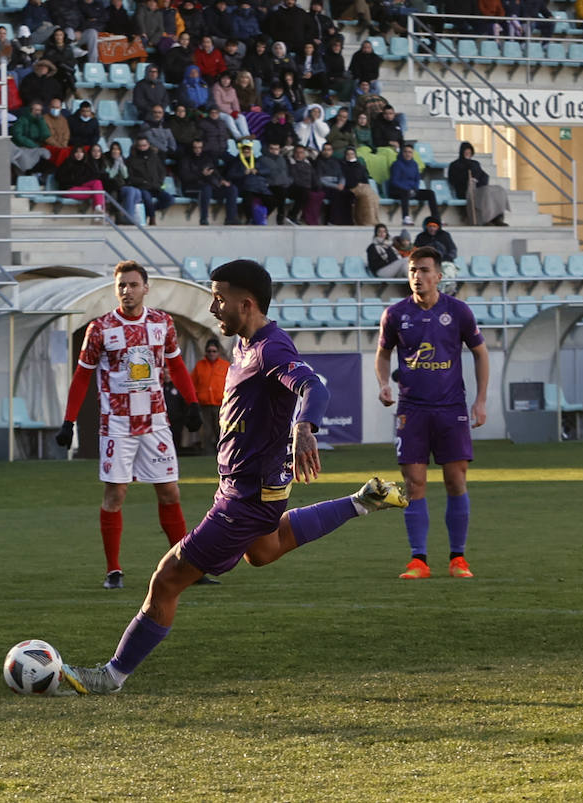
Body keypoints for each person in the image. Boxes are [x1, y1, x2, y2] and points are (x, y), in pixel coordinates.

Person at [55, 260, 409, 695]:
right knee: (263, 550)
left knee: (166, 580)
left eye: (219, 298)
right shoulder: (243, 344)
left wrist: (303, 428)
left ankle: (110, 677)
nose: (212, 306)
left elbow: (315, 387)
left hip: (247, 496)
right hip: (249, 487)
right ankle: (363, 500)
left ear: (247, 303)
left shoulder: (269, 348)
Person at [54, 261, 204, 588]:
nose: (127, 290)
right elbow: (81, 377)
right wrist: (69, 421)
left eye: (134, 285)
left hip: (155, 422)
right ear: (116, 288)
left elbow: (177, 365)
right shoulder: (101, 329)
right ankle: (113, 571)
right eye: (122, 285)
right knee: (116, 494)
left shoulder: (163, 323)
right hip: (117, 425)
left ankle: (186, 569)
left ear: (146, 288)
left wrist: (192, 403)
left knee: (169, 491)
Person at [375, 246, 488, 581]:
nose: (417, 277)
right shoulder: (395, 314)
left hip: (451, 408)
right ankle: (418, 560)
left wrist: (480, 401)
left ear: (439, 276)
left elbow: (480, 354)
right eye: (412, 270)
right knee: (415, 483)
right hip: (412, 409)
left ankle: (458, 559)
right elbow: (383, 354)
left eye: (424, 270)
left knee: (455, 480)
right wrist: (384, 383)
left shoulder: (459, 312)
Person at [177, 138, 236, 226]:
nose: (198, 150)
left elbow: (214, 171)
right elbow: (185, 177)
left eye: (200, 147)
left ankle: (230, 219)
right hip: (190, 188)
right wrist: (202, 174)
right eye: (195, 147)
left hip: (208, 186)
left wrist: (221, 180)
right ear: (191, 148)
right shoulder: (185, 159)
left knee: (231, 189)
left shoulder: (206, 158)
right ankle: (203, 219)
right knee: (206, 189)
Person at [449, 141, 508, 226]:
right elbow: (453, 180)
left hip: (478, 189)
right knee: (485, 194)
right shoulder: (455, 165)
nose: (467, 154)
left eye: (469, 152)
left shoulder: (475, 164)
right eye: (466, 152)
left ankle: (497, 219)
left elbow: (484, 176)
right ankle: (485, 220)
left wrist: (477, 182)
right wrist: (466, 179)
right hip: (464, 191)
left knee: (496, 192)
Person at [124, 135, 173, 226]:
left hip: (156, 186)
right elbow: (130, 177)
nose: (142, 148)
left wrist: (159, 182)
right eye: (140, 146)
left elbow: (161, 171)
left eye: (144, 145)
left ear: (148, 145)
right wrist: (142, 182)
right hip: (142, 186)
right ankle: (152, 218)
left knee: (169, 199)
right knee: (147, 198)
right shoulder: (131, 160)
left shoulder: (154, 157)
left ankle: (150, 210)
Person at [191, 339, 229, 454]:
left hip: (221, 405)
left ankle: (223, 453)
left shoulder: (225, 366)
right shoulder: (199, 365)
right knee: (206, 431)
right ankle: (206, 454)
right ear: (205, 352)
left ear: (218, 352)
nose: (211, 353)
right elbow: (192, 384)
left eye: (214, 351)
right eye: (209, 351)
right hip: (204, 404)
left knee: (221, 430)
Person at [387, 144, 438, 226]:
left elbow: (417, 179)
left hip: (411, 191)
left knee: (430, 193)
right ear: (402, 153)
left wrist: (414, 189)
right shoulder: (396, 164)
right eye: (405, 152)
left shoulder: (414, 165)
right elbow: (394, 181)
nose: (408, 154)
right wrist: (408, 189)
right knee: (405, 192)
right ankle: (406, 218)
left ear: (412, 154)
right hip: (397, 191)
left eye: (410, 152)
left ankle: (436, 218)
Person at [56, 145, 109, 220]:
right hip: (68, 189)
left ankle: (98, 210)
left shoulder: (85, 164)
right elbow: (58, 177)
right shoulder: (67, 162)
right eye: (76, 152)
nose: (79, 154)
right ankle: (97, 213)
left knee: (97, 183)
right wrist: (72, 180)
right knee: (98, 193)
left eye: (81, 152)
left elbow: (86, 179)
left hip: (79, 188)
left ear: (84, 154)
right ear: (73, 154)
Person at [256, 140, 292, 224]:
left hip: (284, 183)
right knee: (280, 193)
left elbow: (287, 172)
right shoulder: (262, 159)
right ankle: (280, 216)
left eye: (276, 149)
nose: (274, 151)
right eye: (272, 149)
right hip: (270, 184)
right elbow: (258, 171)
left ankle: (288, 216)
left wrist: (289, 180)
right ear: (268, 149)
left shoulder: (282, 159)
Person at [342, 146, 379, 226]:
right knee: (367, 195)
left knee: (374, 197)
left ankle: (374, 219)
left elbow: (365, 178)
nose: (350, 156)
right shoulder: (343, 166)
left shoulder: (360, 166)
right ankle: (369, 221)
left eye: (352, 154)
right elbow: (346, 180)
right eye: (348, 154)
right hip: (351, 188)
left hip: (362, 187)